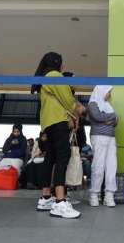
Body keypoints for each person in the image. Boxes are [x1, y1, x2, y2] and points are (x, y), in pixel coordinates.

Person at [31, 52, 84, 219]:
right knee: (62, 158)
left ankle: (46, 197)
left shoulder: (42, 79)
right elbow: (67, 99)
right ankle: (60, 201)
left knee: (50, 159)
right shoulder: (54, 75)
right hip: (59, 122)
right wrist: (79, 109)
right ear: (57, 64)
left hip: (48, 123)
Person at [86, 85, 118, 207]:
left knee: (112, 166)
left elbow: (115, 122)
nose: (110, 94)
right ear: (102, 91)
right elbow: (97, 116)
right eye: (109, 92)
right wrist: (112, 117)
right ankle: (94, 195)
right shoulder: (93, 104)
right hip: (99, 138)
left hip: (111, 138)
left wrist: (109, 119)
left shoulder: (107, 105)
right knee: (98, 166)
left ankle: (109, 195)